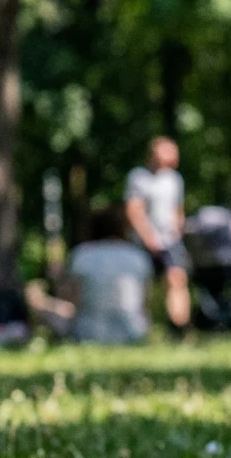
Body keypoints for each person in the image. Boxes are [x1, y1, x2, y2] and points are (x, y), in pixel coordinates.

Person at [26, 206, 153, 343]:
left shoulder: (82, 255)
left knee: (35, 297)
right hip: (133, 332)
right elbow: (145, 304)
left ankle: (29, 338)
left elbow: (72, 303)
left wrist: (56, 282)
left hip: (88, 332)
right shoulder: (138, 257)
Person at [125, 136, 191, 328]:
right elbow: (134, 210)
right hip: (144, 241)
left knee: (176, 278)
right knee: (143, 285)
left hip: (170, 239)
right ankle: (142, 327)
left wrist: (178, 229)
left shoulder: (174, 179)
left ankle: (179, 325)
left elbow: (177, 209)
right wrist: (148, 237)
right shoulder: (139, 177)